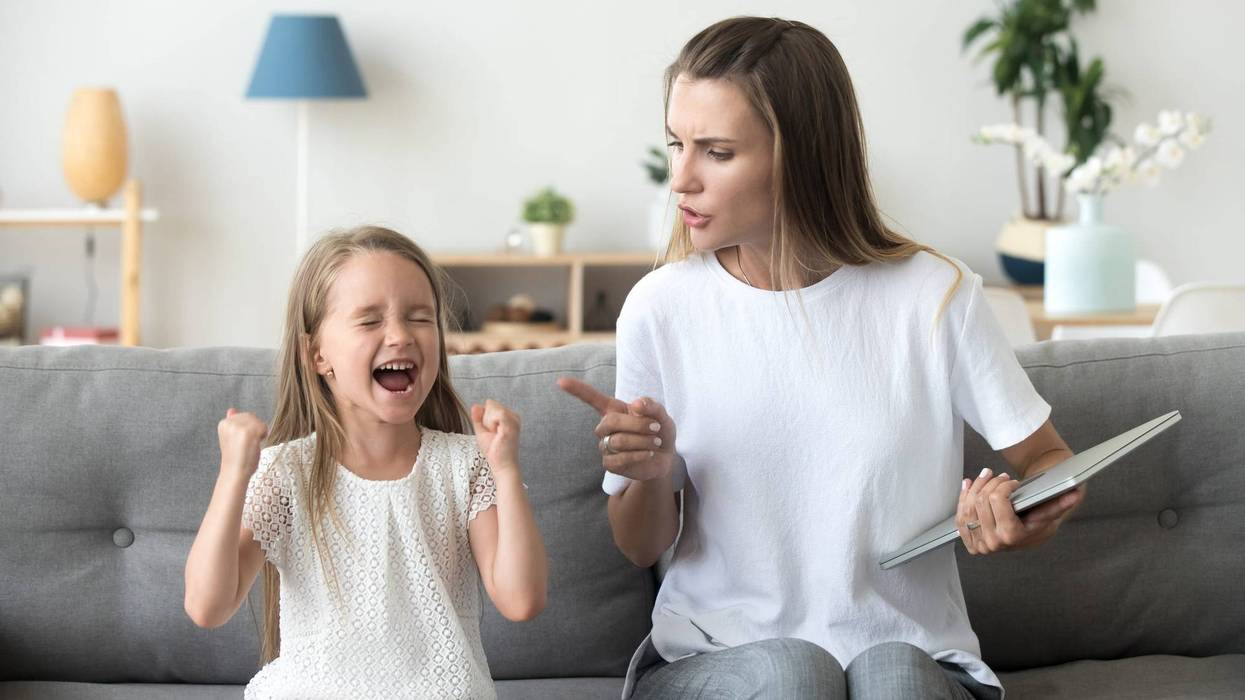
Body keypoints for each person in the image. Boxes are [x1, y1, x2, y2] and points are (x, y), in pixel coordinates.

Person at [559, 17, 1082, 700]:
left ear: (800, 155)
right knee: (792, 674)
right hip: (716, 662)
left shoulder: (934, 294)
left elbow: (1052, 465)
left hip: (915, 655)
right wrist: (651, 473)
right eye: (675, 145)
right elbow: (638, 546)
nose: (679, 179)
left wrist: (1015, 514)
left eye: (715, 152)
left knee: (892, 675)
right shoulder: (661, 308)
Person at [184, 226, 547, 699]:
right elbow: (207, 607)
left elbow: (522, 600)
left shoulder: (466, 466)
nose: (400, 336)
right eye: (369, 321)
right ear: (317, 355)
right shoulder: (286, 473)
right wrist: (234, 475)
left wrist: (506, 469)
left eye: (420, 317)